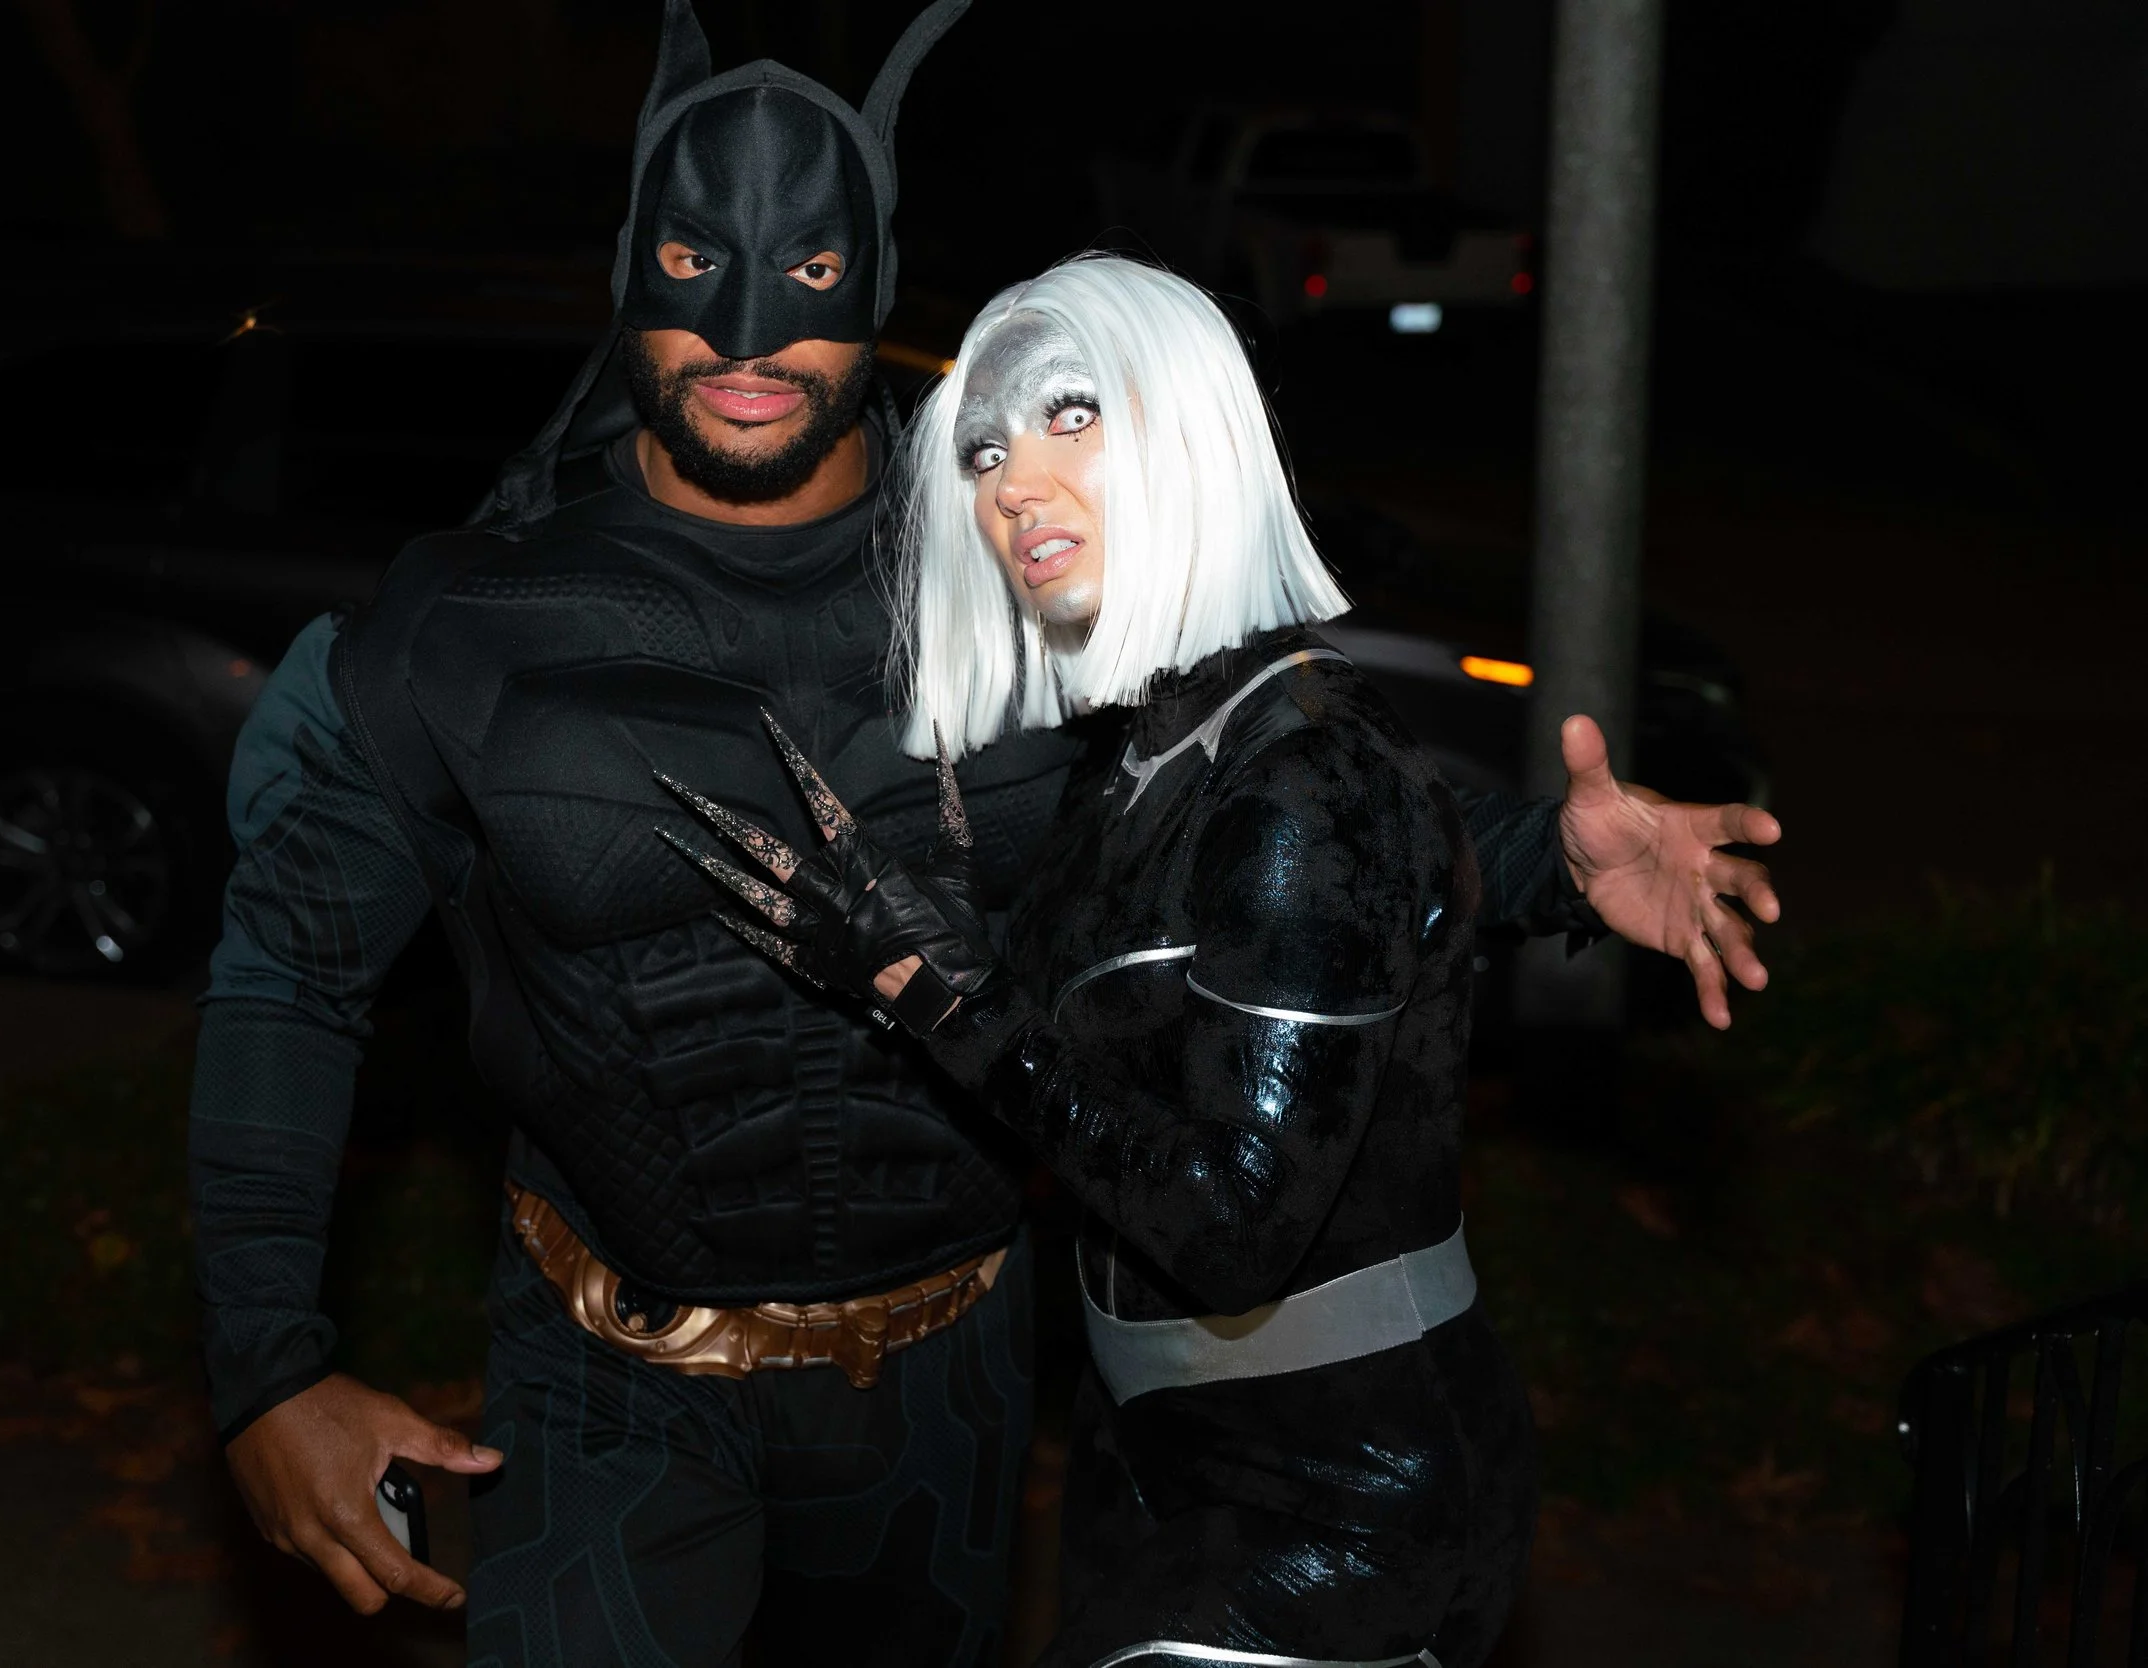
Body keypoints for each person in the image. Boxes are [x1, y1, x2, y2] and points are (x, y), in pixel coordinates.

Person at [187, 7, 1782, 1666]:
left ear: (873, 278)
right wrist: (268, 1366)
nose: (746, 337)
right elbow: (291, 973)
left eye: (807, 280)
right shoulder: (472, 621)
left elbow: (1255, 812)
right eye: (689, 262)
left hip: (946, 1385)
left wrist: (1545, 862)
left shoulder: (1017, 568)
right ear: (628, 272)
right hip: (611, 1387)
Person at [674, 255, 1776, 1668]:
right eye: (987, 448)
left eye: (1071, 416)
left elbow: (1231, 1219)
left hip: (1325, 1505)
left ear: (1191, 425)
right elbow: (1296, 896)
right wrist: (1540, 862)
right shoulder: (1172, 740)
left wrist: (933, 991)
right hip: (1180, 1461)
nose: (1013, 482)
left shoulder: (1290, 770)